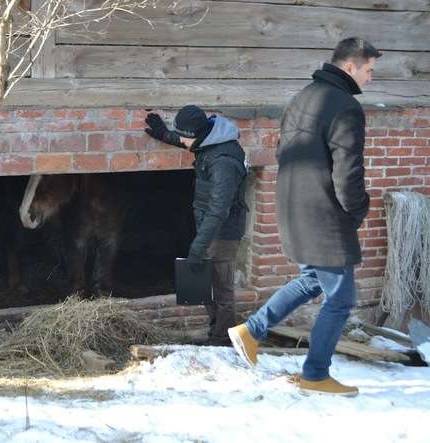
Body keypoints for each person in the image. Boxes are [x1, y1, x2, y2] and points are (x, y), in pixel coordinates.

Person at [228, 37, 381, 396]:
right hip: (325, 215)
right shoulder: (344, 106)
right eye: (369, 70)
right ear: (349, 67)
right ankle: (315, 375)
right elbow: (348, 173)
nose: (371, 78)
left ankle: (252, 329)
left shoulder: (302, 98)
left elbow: (285, 153)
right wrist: (358, 209)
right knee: (341, 299)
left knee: (312, 279)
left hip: (294, 207)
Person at [144, 105, 248, 345]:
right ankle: (216, 331)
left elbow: (219, 210)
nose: (181, 141)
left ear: (195, 135)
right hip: (208, 225)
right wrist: (162, 133)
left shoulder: (224, 162)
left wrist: (197, 248)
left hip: (223, 231)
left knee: (220, 288)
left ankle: (222, 339)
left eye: (183, 136)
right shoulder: (209, 139)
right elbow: (187, 141)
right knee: (203, 284)